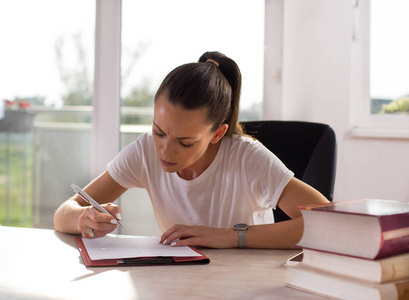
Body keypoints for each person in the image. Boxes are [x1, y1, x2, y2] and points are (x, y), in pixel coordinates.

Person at [54, 51, 329, 249]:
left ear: (217, 134)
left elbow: (327, 222)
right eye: (158, 131)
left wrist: (232, 237)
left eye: (185, 142)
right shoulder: (145, 151)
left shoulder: (246, 157)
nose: (165, 150)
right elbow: (64, 213)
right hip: (181, 281)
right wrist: (84, 218)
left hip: (246, 282)